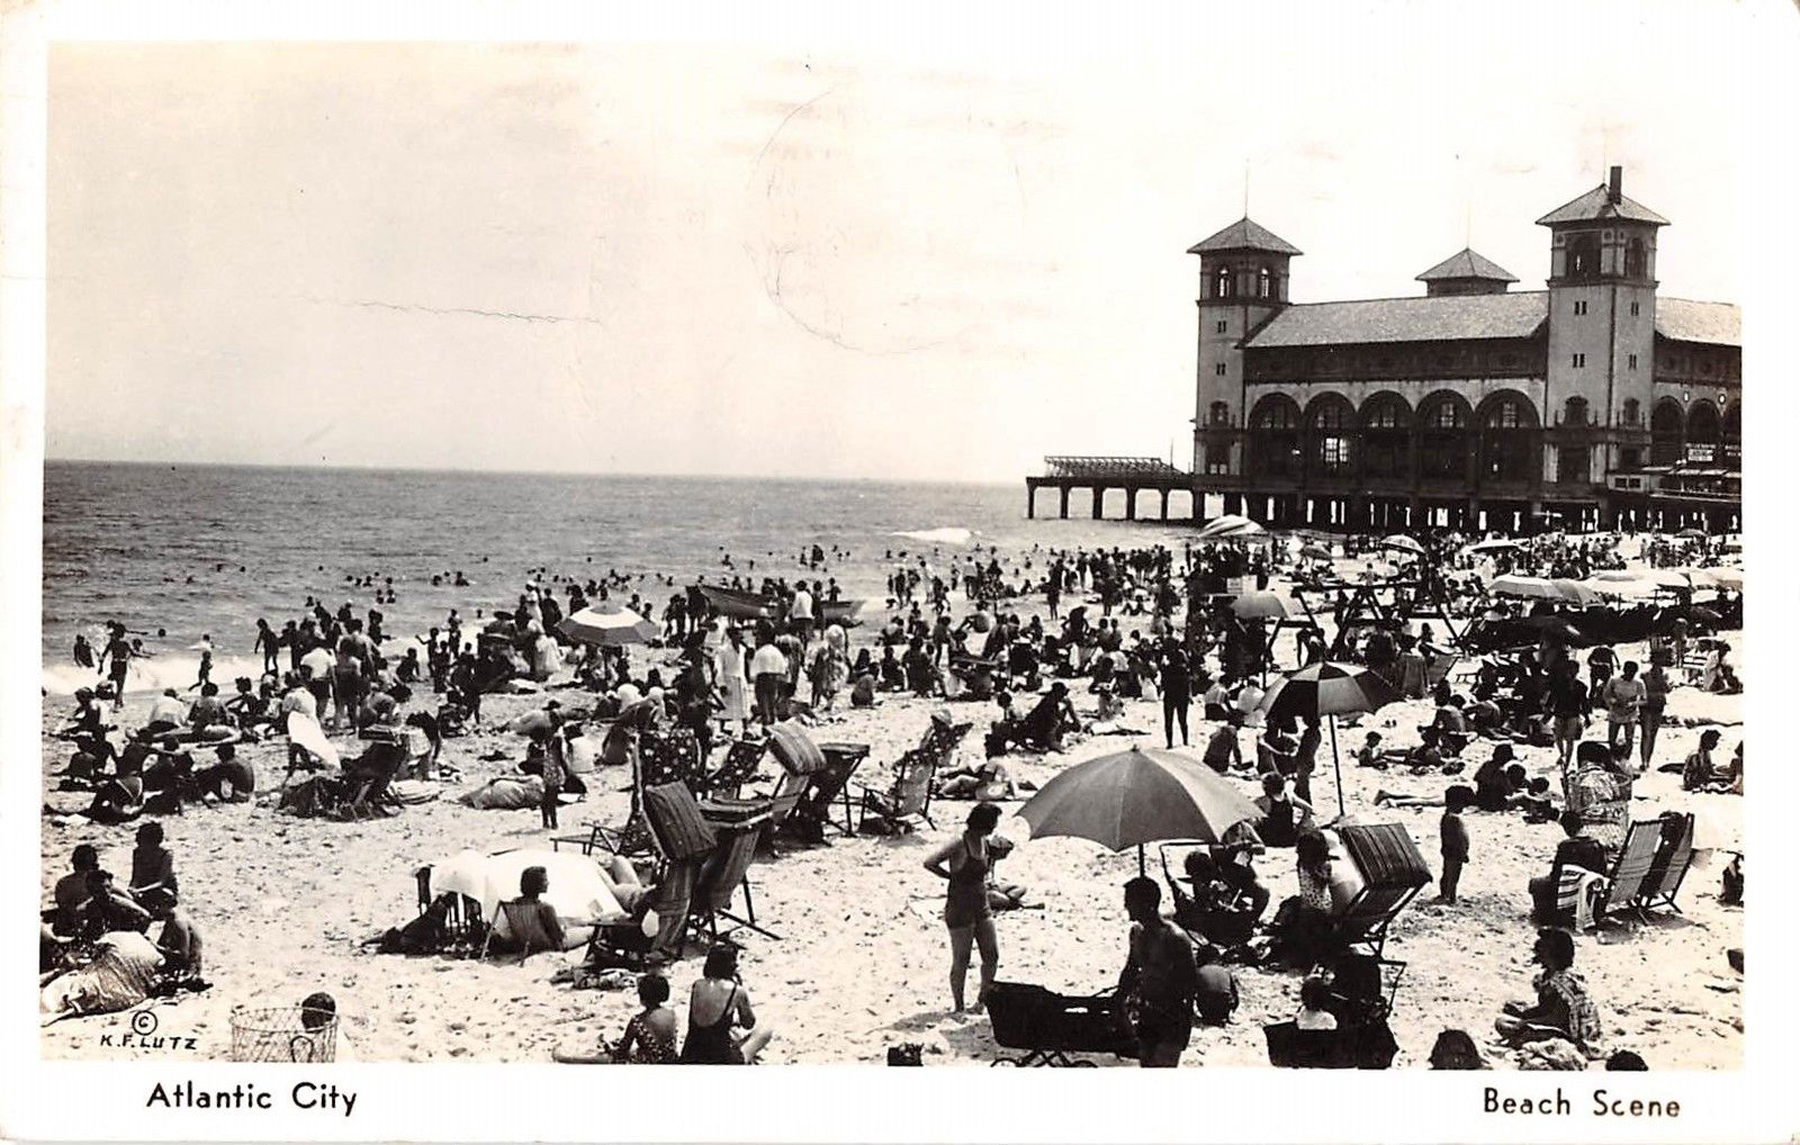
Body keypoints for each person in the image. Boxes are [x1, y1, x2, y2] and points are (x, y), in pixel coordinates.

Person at [923, 803, 1004, 1013]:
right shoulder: (960, 843)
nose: (994, 827)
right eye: (993, 822)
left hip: (981, 904)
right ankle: (958, 1006)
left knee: (992, 956)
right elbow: (930, 862)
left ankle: (981, 1002)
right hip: (959, 906)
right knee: (962, 959)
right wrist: (951, 877)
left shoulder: (984, 842)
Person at [1116, 876, 1197, 1067]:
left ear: (1146, 904)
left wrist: (1183, 1020)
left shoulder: (1175, 938)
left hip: (1171, 1016)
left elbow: (1190, 981)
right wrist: (1118, 999)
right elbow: (1131, 968)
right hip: (1147, 1013)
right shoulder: (1137, 933)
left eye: (1130, 900)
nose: (1126, 905)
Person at [1494, 928, 1603, 1056]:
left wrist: (1525, 1022)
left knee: (1522, 1033)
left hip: (1572, 1035)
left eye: (1541, 950)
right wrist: (1523, 1013)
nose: (1537, 953)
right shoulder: (1551, 976)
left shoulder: (1565, 981)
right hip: (1556, 1026)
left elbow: (1557, 1019)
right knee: (1502, 1022)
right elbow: (1545, 1009)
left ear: (1553, 953)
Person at [680, 944, 774, 1064]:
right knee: (765, 1031)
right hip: (720, 1059)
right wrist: (740, 988)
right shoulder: (736, 991)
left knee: (724, 1030)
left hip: (691, 1054)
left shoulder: (697, 985)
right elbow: (748, 1023)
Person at [608, 973, 680, 1064]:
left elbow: (623, 1049)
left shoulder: (637, 1021)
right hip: (671, 1060)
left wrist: (610, 1050)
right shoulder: (671, 1014)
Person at [495, 866, 566, 956]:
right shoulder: (545, 908)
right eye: (544, 881)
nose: (548, 883)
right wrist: (563, 930)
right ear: (536, 884)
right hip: (547, 945)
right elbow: (558, 935)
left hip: (525, 943)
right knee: (588, 932)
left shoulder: (515, 904)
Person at [144, 888, 203, 981]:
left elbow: (183, 956)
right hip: (183, 963)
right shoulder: (171, 919)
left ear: (164, 906)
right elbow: (162, 943)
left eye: (157, 906)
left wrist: (154, 946)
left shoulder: (178, 923)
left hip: (187, 969)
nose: (155, 910)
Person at [1601, 660, 1646, 755]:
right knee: (1611, 738)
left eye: (1633, 673)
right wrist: (1613, 701)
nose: (1630, 675)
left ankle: (1626, 758)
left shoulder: (1638, 683)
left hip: (1630, 714)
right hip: (1615, 713)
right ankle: (1613, 756)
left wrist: (1633, 704)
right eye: (1628, 672)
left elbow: (1644, 700)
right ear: (1624, 670)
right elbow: (1606, 695)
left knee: (1629, 739)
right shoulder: (1614, 681)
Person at [128, 821, 177, 901]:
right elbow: (136, 877)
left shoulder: (166, 855)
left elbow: (161, 882)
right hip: (143, 886)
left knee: (167, 895)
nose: (138, 843)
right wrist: (132, 888)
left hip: (162, 888)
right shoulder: (138, 852)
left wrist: (141, 890)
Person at [1439, 785, 1471, 904]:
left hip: (1448, 850)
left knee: (1447, 873)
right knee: (1453, 875)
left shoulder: (1447, 816)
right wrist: (1463, 852)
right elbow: (1459, 838)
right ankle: (1451, 897)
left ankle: (1444, 893)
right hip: (1455, 851)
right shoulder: (1454, 819)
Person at [1638, 659, 1671, 767]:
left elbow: (1667, 689)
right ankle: (1644, 760)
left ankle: (1647, 760)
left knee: (1652, 735)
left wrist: (1664, 681)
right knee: (1646, 734)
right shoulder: (1644, 676)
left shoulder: (1663, 677)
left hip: (1657, 706)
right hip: (1647, 706)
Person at [1159, 645, 1191, 749]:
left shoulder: (1166, 670)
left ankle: (1169, 743)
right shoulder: (1184, 670)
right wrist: (1189, 696)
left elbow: (1163, 684)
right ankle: (1185, 740)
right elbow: (1187, 685)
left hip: (1169, 696)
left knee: (1168, 721)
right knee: (1183, 720)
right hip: (1182, 697)